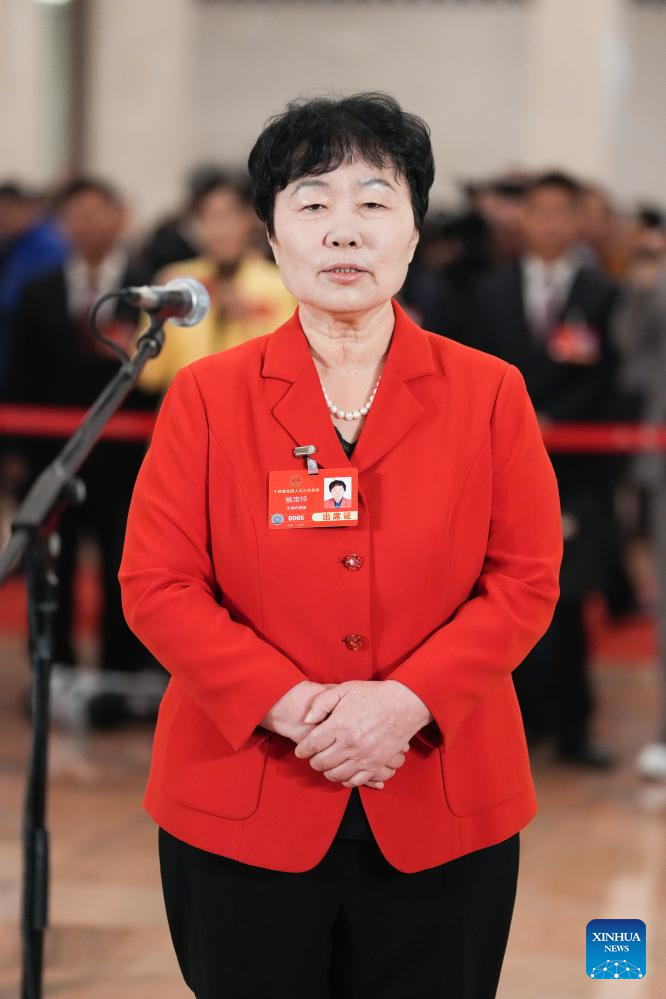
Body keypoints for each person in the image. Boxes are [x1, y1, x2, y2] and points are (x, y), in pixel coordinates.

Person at [119, 93, 562, 999]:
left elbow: (524, 579)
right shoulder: (208, 394)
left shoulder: (490, 392)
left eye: (374, 201)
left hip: (441, 786)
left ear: (414, 232)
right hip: (245, 787)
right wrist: (292, 705)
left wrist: (404, 703)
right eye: (313, 203)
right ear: (273, 236)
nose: (344, 230)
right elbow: (157, 583)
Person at [7, 177, 162, 728]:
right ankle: (52, 674)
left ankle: (123, 682)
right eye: (76, 215)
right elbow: (19, 376)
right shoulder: (40, 290)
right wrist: (18, 452)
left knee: (128, 566)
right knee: (54, 568)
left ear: (121, 217)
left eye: (99, 212)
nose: (89, 224)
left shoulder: (153, 290)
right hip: (55, 459)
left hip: (131, 463)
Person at [478, 170, 619, 768]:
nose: (551, 223)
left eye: (563, 211)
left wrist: (553, 417)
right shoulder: (488, 291)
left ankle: (573, 727)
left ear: (579, 219)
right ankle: (519, 724)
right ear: (524, 218)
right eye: (540, 211)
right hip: (498, 465)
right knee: (499, 593)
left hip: (576, 470)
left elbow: (610, 377)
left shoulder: (604, 293)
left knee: (570, 596)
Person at [137, 170, 295, 395]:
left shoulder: (282, 285)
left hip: (253, 409)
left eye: (230, 216)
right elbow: (149, 375)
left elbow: (286, 368)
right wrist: (160, 315)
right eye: (210, 218)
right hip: (184, 409)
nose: (221, 229)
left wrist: (247, 321)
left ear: (251, 220)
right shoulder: (177, 282)